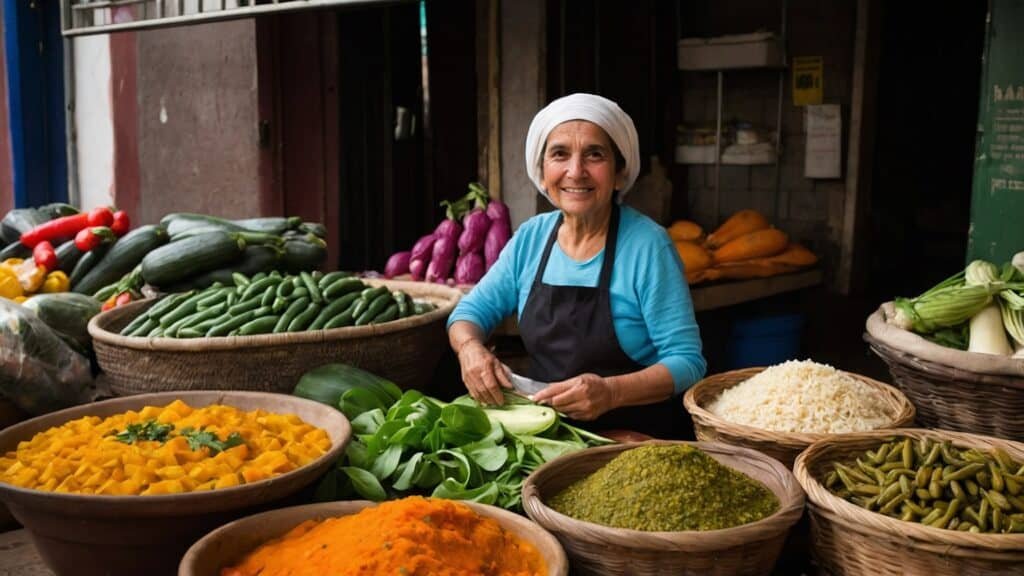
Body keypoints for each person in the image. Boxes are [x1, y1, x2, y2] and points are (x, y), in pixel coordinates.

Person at [446, 93, 706, 438]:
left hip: (633, 437)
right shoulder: (532, 238)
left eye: (594, 154)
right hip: (549, 435)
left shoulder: (647, 245)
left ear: (619, 171)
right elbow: (469, 312)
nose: (575, 171)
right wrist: (471, 349)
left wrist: (611, 392)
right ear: (543, 171)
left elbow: (688, 362)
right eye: (560, 154)